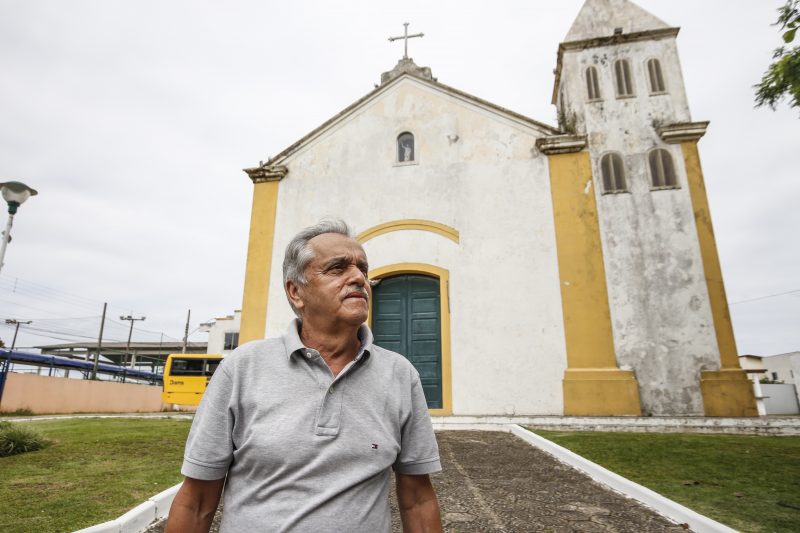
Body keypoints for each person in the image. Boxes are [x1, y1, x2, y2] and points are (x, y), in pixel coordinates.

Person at [166, 219, 442, 533]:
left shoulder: (400, 375)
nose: (359, 279)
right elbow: (197, 501)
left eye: (362, 270)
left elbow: (418, 498)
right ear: (296, 292)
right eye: (338, 269)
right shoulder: (244, 368)